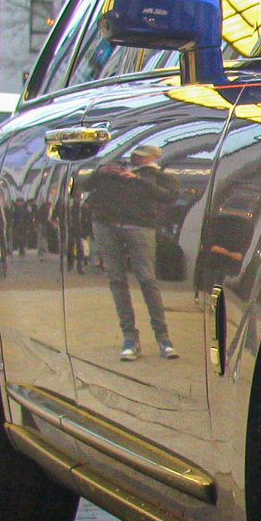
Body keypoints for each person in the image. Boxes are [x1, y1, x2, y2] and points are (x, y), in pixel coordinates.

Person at [83, 143, 177, 360]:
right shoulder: (112, 170)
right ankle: (130, 338)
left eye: (142, 156)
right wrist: (99, 172)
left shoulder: (158, 175)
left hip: (141, 225)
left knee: (147, 278)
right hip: (106, 224)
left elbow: (169, 196)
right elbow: (84, 186)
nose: (136, 158)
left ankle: (163, 338)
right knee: (116, 279)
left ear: (152, 158)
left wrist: (138, 180)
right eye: (135, 154)